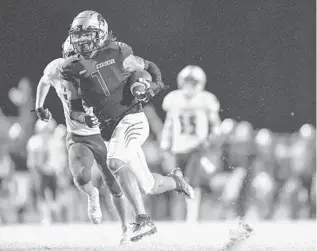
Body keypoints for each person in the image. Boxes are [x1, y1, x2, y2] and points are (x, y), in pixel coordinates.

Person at [61, 10, 194, 242]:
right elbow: (74, 109)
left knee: (114, 161)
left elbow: (149, 66)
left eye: (87, 35)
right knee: (149, 186)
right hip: (110, 129)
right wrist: (85, 119)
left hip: (132, 119)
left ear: (101, 34)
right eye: (78, 37)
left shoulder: (117, 52)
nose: (82, 42)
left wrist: (155, 85)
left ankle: (143, 220)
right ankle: (176, 181)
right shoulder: (70, 69)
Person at [33, 36, 129, 243]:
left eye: (78, 57)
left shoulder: (100, 71)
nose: (73, 63)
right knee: (80, 178)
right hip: (78, 134)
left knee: (113, 183)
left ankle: (126, 228)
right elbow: (44, 80)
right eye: (70, 57)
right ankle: (92, 195)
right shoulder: (57, 69)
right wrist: (39, 105)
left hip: (104, 133)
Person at [160, 65, 222, 222]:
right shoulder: (174, 99)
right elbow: (169, 123)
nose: (190, 85)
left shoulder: (205, 99)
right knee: (178, 182)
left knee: (193, 181)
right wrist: (165, 142)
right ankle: (179, 216)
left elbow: (215, 124)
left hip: (196, 146)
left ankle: (191, 217)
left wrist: (211, 139)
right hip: (178, 148)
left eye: (193, 82)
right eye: (187, 81)